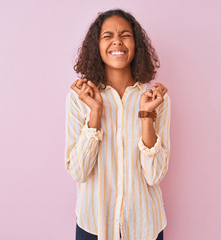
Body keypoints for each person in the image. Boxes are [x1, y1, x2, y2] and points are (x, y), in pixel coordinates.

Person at [65, 9, 171, 240]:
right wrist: (95, 112)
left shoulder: (155, 99)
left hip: (145, 226)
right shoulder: (80, 98)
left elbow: (154, 175)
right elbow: (78, 171)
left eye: (125, 35)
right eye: (107, 35)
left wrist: (145, 115)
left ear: (136, 44)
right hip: (94, 225)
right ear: (96, 45)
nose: (117, 41)